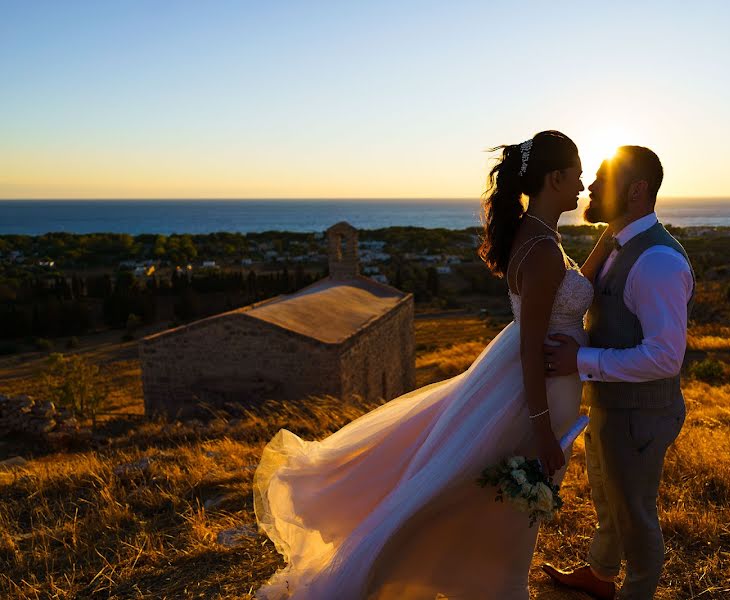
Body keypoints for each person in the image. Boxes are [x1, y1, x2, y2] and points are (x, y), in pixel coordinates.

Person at [252, 130, 602, 599]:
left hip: (531, 383)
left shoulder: (536, 236)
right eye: (577, 176)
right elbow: (531, 345)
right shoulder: (540, 249)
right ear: (555, 178)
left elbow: (564, 289)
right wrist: (542, 429)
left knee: (491, 493)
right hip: (536, 390)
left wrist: (612, 238)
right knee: (498, 498)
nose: (582, 186)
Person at [541, 146, 695, 600]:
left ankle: (638, 592)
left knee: (636, 514)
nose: (589, 186)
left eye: (602, 180)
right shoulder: (616, 240)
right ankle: (601, 575)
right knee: (608, 503)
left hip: (640, 415)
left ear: (637, 190)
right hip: (613, 405)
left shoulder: (658, 262)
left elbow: (666, 356)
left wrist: (580, 362)